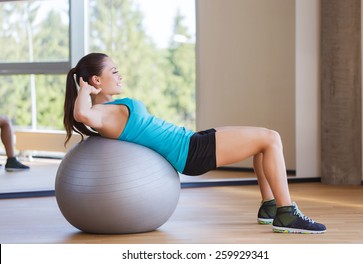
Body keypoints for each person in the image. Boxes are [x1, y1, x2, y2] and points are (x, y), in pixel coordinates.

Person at [63, 53, 326, 234]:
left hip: (191, 140)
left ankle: (271, 207)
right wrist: (84, 90)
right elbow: (81, 115)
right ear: (96, 80)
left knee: (264, 141)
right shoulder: (101, 113)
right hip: (189, 152)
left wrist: (87, 91)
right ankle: (286, 213)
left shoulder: (109, 108)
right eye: (114, 71)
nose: (120, 76)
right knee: (271, 139)